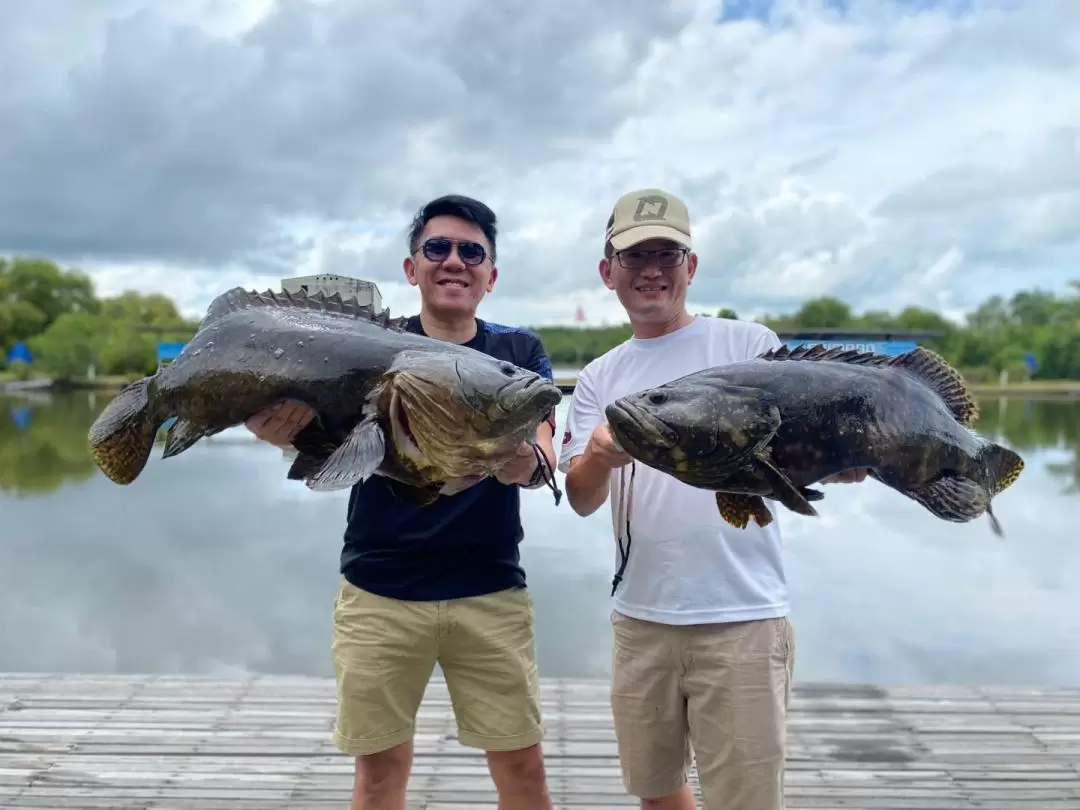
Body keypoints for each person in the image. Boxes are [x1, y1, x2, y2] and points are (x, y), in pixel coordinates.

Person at [245, 194, 558, 810]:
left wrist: (527, 462)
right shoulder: (365, 345)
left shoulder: (518, 356)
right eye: (436, 248)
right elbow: (324, 450)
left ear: (491, 275)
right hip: (380, 589)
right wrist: (283, 432)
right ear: (412, 269)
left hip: (489, 590)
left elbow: (543, 451)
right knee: (381, 770)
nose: (454, 262)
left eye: (472, 252)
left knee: (522, 765)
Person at [557, 188, 866, 810]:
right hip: (641, 619)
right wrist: (597, 456)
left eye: (667, 254)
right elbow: (582, 497)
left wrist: (845, 457)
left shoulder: (748, 346)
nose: (651, 269)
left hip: (744, 618)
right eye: (634, 255)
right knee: (655, 790)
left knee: (746, 799)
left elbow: (806, 442)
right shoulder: (599, 377)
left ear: (690, 267)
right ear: (607, 272)